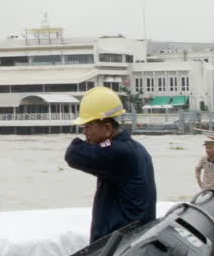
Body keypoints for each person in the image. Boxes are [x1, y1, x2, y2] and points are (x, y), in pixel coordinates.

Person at [64, 87, 157, 243]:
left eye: (88, 126)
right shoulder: (136, 149)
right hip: (132, 242)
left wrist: (97, 144)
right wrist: (101, 143)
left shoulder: (118, 152)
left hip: (116, 247)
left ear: (107, 128)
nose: (85, 133)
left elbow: (73, 153)